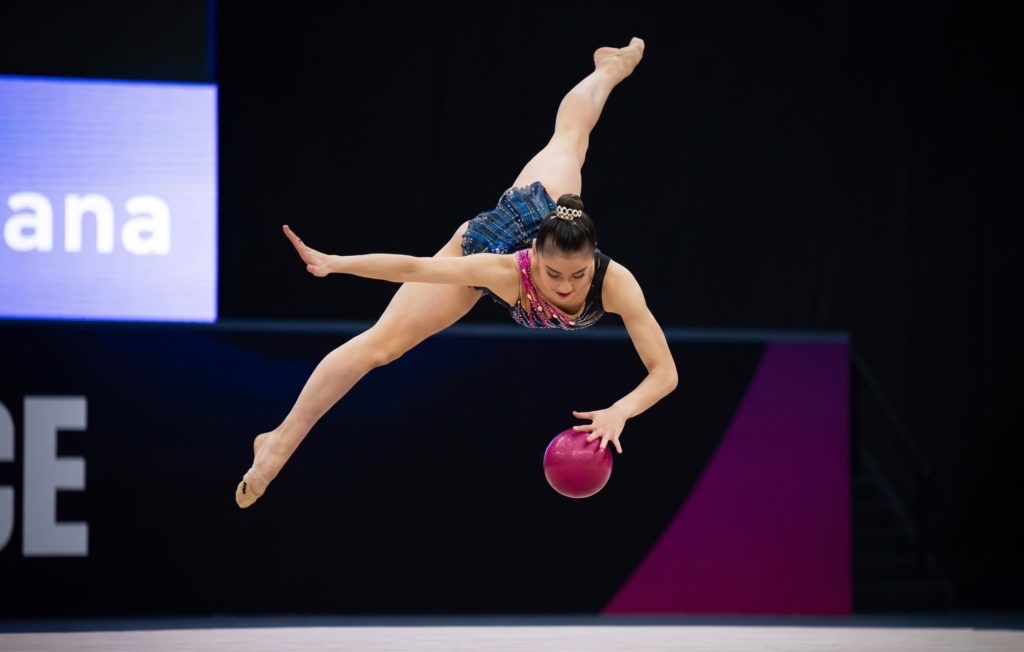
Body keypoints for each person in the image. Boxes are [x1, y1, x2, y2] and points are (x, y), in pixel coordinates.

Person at [236, 37, 678, 508]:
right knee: (381, 346)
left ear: (593, 258)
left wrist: (620, 412)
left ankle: (610, 69)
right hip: (485, 240)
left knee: (571, 137)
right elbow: (416, 267)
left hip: (551, 205)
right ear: (535, 255)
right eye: (554, 276)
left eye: (578, 275)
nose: (566, 287)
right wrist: (337, 263)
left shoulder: (616, 284)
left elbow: (664, 372)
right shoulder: (504, 269)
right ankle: (278, 442)